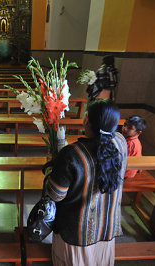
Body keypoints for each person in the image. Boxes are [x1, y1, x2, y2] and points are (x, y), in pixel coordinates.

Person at [42, 99, 128, 266]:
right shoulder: (121, 143)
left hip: (77, 233)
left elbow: (55, 194)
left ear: (86, 120)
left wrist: (50, 168)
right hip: (106, 227)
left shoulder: (72, 154)